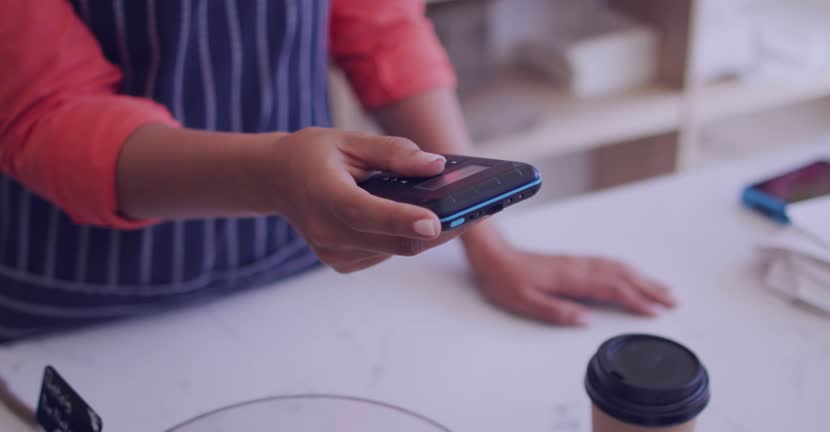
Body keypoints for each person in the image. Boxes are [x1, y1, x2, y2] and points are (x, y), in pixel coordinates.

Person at [0, 0, 675, 343]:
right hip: (67, 303)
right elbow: (44, 111)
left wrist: (485, 239)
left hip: (293, 274)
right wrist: (273, 178)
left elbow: (380, 28)